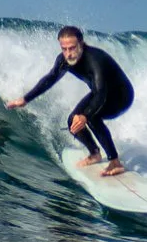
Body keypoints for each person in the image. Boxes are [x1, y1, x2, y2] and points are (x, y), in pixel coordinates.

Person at [8, 26, 136, 175]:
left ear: (81, 44)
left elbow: (101, 93)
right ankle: (94, 153)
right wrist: (25, 99)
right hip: (100, 93)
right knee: (72, 121)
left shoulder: (95, 60)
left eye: (72, 48)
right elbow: (50, 79)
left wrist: (85, 115)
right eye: (64, 49)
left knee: (92, 117)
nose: (68, 54)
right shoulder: (64, 60)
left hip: (121, 97)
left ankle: (115, 162)